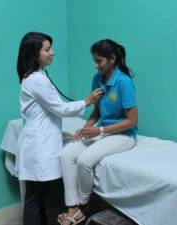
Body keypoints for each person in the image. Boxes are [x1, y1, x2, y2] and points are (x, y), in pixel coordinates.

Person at [15, 32, 103, 225]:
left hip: (40, 140)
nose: (52, 53)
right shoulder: (36, 80)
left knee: (39, 197)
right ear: (34, 53)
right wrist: (87, 101)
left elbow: (44, 114)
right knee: (35, 199)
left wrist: (61, 134)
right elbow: (60, 108)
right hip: (38, 145)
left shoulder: (35, 77)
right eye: (47, 49)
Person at [58, 39, 138, 225]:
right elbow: (97, 111)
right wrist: (86, 128)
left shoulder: (124, 82)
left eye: (100, 61)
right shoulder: (97, 79)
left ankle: (84, 206)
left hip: (123, 135)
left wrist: (99, 130)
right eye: (95, 60)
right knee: (67, 154)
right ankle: (72, 206)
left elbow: (132, 121)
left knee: (85, 160)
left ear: (112, 59)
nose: (96, 65)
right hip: (102, 130)